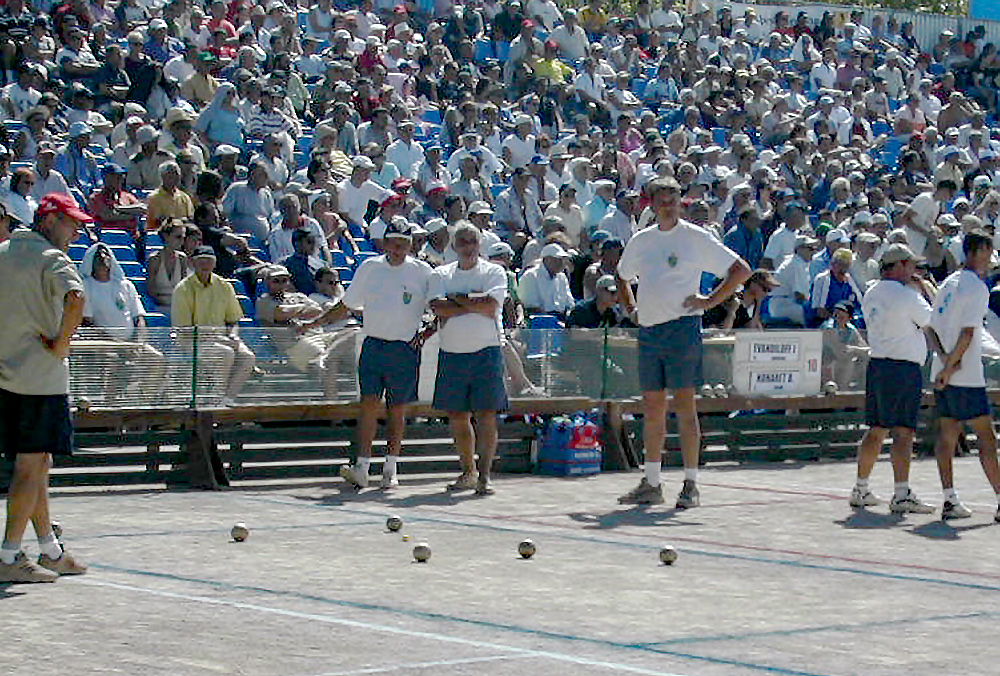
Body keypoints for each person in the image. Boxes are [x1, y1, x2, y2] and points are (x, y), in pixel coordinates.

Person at [616, 177, 751, 507]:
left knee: (685, 407)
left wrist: (709, 301)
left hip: (682, 329)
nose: (668, 205)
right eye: (661, 199)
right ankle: (651, 482)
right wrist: (632, 308)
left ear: (680, 202)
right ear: (652, 203)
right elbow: (622, 276)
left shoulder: (695, 238)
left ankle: (690, 483)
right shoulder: (642, 240)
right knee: (652, 409)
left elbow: (740, 270)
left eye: (673, 199)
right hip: (649, 331)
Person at [301, 219, 433, 490]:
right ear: (384, 243)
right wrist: (316, 322)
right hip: (373, 345)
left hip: (405, 349)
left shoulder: (423, 272)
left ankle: (390, 469)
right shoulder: (370, 267)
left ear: (410, 245)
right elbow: (347, 305)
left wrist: (425, 334)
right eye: (393, 243)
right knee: (368, 406)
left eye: (403, 244)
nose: (398, 249)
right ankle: (362, 467)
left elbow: (438, 308)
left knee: (397, 409)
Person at [0, 192, 91, 582]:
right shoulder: (53, 258)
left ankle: (50, 550)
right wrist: (62, 344)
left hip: (5, 375)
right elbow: (76, 297)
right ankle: (8, 557)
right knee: (30, 465)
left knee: (38, 464)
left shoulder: (3, 251)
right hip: (41, 379)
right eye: (71, 223)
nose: (76, 232)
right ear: (50, 219)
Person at [850, 243, 936, 514]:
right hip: (902, 369)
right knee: (903, 432)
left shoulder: (872, 291)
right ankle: (901, 493)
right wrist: (927, 289)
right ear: (898, 266)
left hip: (878, 365)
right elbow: (933, 320)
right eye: (910, 265)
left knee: (876, 429)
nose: (914, 270)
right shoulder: (907, 296)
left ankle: (861, 488)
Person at [429, 222, 509, 495]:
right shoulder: (441, 274)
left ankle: (485, 476)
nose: (468, 246)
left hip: (486, 351)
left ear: (480, 243)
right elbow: (439, 308)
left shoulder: (494, 271)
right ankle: (468, 472)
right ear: (454, 246)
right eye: (462, 241)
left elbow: (491, 306)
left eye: (472, 241)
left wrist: (457, 301)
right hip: (452, 352)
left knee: (486, 416)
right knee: (458, 417)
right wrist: (472, 303)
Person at [926, 230, 1000, 520]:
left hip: (943, 372)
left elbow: (931, 329)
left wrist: (943, 364)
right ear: (974, 252)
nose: (989, 257)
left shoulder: (947, 283)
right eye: (986, 250)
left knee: (947, 434)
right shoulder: (976, 287)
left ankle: (949, 499)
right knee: (986, 438)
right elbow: (968, 334)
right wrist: (951, 365)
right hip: (966, 376)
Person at [78, 243, 166, 400]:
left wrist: (138, 342)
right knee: (115, 362)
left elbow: (139, 317)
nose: (103, 258)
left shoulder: (126, 285)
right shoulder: (86, 286)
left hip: (131, 344)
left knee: (156, 359)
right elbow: (88, 323)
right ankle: (110, 408)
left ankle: (143, 403)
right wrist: (118, 345)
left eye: (106, 254)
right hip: (102, 345)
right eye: (98, 256)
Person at [171, 245, 255, 406]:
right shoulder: (182, 289)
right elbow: (185, 329)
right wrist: (222, 339)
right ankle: (214, 401)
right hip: (192, 342)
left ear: (214, 264)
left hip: (221, 339)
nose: (205, 264)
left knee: (248, 357)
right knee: (225, 353)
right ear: (192, 263)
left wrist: (234, 336)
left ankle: (228, 399)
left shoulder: (224, 285)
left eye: (208, 261)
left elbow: (233, 320)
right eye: (200, 261)